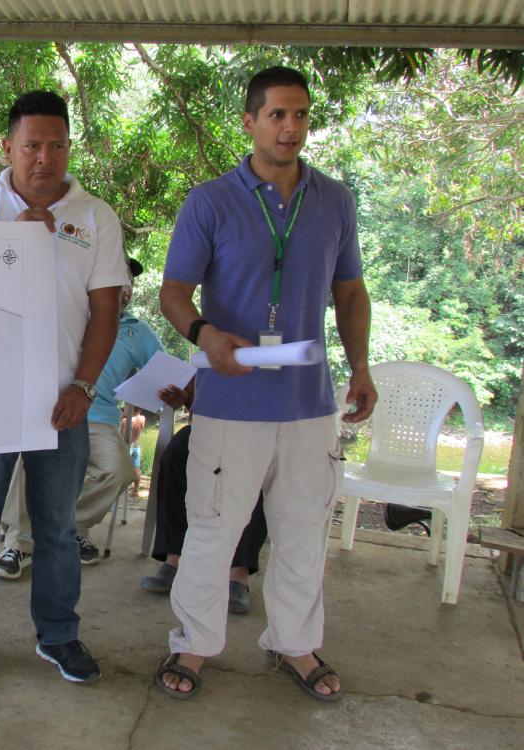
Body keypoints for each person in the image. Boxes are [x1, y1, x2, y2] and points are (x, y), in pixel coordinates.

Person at [155, 66, 376, 702]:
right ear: (250, 122)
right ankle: (194, 646)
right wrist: (204, 334)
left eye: (301, 115)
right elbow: (174, 292)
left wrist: (359, 366)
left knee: (304, 529)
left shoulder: (335, 199)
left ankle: (295, 645)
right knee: (214, 529)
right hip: (231, 400)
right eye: (277, 115)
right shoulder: (211, 200)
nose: (290, 127)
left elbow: (351, 290)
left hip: (309, 403)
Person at [0, 90, 129, 684]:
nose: (45, 157)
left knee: (58, 530)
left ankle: (58, 635)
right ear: (8, 147)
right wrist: (11, 244)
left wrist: (84, 386)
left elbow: (105, 313)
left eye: (57, 145)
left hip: (59, 403)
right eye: (32, 145)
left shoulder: (95, 216)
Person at [0, 258, 164, 576]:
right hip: (44, 412)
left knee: (120, 470)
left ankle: (69, 528)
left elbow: (166, 373)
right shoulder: (59, 315)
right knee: (25, 456)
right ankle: (18, 543)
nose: (123, 291)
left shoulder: (137, 332)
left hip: (97, 419)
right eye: (116, 282)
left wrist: (175, 389)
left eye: (128, 285)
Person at [139, 379, 268, 615]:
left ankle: (237, 573)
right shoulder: (210, 347)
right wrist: (184, 399)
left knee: (261, 471)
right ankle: (174, 558)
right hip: (207, 429)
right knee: (174, 456)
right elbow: (194, 400)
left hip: (256, 432)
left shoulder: (270, 348)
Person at [123, 407, 146, 497]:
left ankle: (122, 488)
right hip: (136, 445)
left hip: (128, 446)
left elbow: (124, 436)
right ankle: (136, 490)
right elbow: (141, 428)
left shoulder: (126, 421)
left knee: (123, 467)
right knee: (136, 468)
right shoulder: (142, 419)